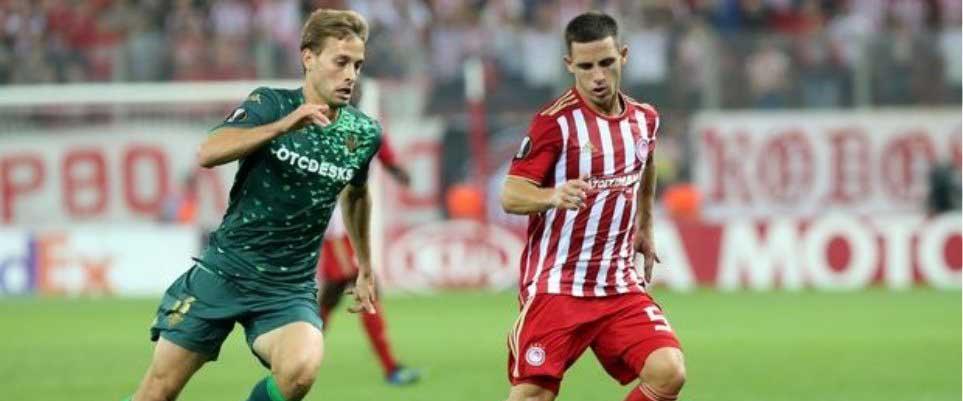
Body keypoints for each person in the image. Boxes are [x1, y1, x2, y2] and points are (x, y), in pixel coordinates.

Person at [123, 9, 382, 401]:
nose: (351, 75)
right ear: (309, 57)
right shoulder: (270, 104)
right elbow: (209, 152)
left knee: (300, 371)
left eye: (357, 65)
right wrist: (282, 126)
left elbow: (358, 193)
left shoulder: (363, 133)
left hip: (288, 288)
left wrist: (364, 264)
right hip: (225, 271)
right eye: (341, 62)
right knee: (157, 392)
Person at [500, 12, 686, 401]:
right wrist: (552, 196)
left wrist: (645, 226)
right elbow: (511, 194)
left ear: (623, 56)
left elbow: (647, 164)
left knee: (668, 372)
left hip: (618, 284)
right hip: (558, 285)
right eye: (585, 67)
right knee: (533, 394)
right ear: (570, 65)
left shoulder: (645, 119)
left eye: (606, 62)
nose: (597, 76)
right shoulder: (554, 123)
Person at [315, 133, 421, 385]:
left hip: (344, 232)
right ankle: (391, 369)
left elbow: (381, 147)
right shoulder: (328, 132)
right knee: (364, 293)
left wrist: (396, 169)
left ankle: (295, 356)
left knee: (330, 303)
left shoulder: (363, 130)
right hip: (339, 236)